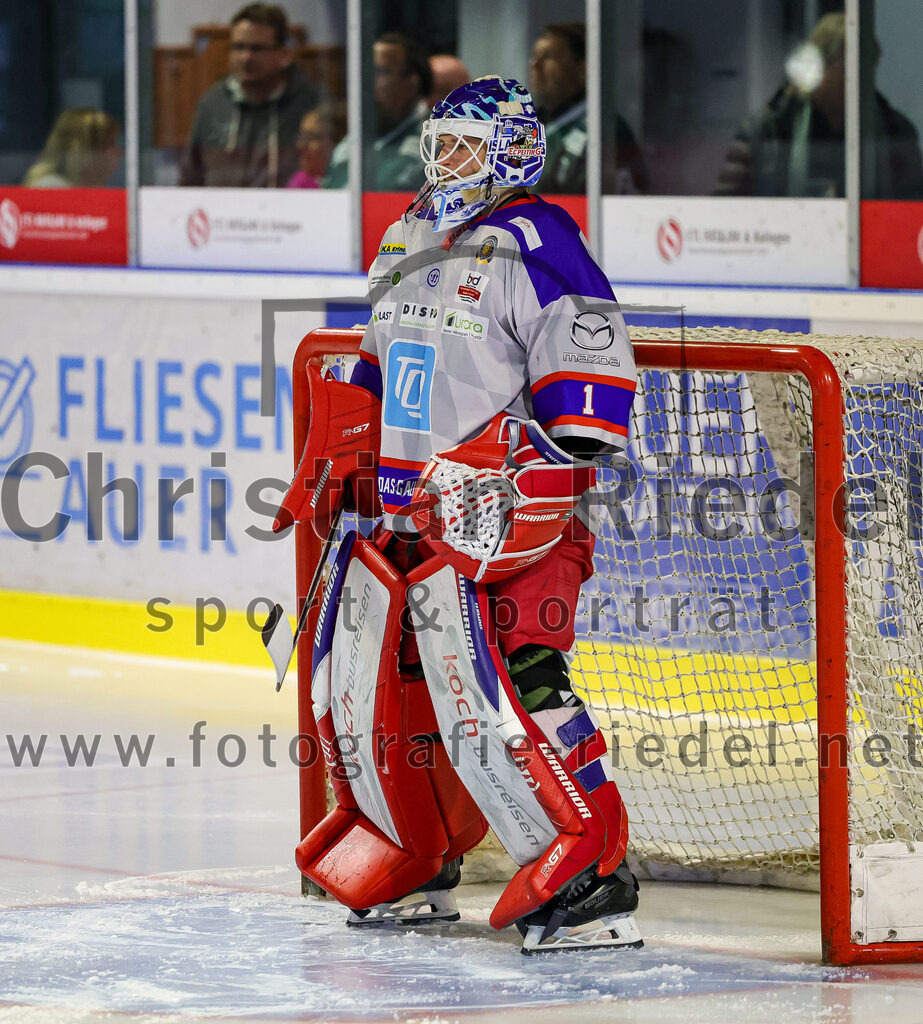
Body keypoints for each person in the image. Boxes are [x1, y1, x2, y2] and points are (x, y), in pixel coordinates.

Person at [287, 76, 642, 954]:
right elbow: (375, 364)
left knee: (515, 689)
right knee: (368, 694)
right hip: (400, 520)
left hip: (505, 527)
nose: (441, 163)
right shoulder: (407, 232)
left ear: (514, 151)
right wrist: (349, 461)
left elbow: (589, 410)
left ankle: (594, 871)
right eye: (436, 145)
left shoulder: (540, 240)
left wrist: (523, 478)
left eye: (462, 148)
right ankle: (417, 852)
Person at [714, 12, 923, 198]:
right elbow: (728, 210)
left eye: (868, 65)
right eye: (848, 65)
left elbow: (914, 209)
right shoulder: (767, 130)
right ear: (820, 67)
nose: (860, 77)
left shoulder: (897, 131)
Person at [179, 3, 321, 188]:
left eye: (257, 48)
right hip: (222, 214)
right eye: (238, 47)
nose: (246, 57)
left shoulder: (308, 103)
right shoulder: (212, 103)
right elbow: (190, 176)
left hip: (286, 214)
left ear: (283, 54)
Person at [529, 22, 647, 195]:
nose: (535, 65)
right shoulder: (529, 125)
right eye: (534, 57)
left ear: (583, 69)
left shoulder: (605, 130)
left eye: (548, 57)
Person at [323, 32, 431, 190]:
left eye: (381, 72)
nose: (368, 83)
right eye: (366, 73)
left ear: (412, 82)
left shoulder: (433, 142)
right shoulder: (354, 139)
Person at [23, 109, 122, 188]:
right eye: (111, 143)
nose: (120, 151)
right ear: (85, 150)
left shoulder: (92, 186)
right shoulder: (51, 188)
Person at [287, 101, 347, 188]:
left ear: (337, 144)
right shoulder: (301, 181)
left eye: (311, 138)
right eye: (302, 137)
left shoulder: (350, 184)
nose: (300, 145)